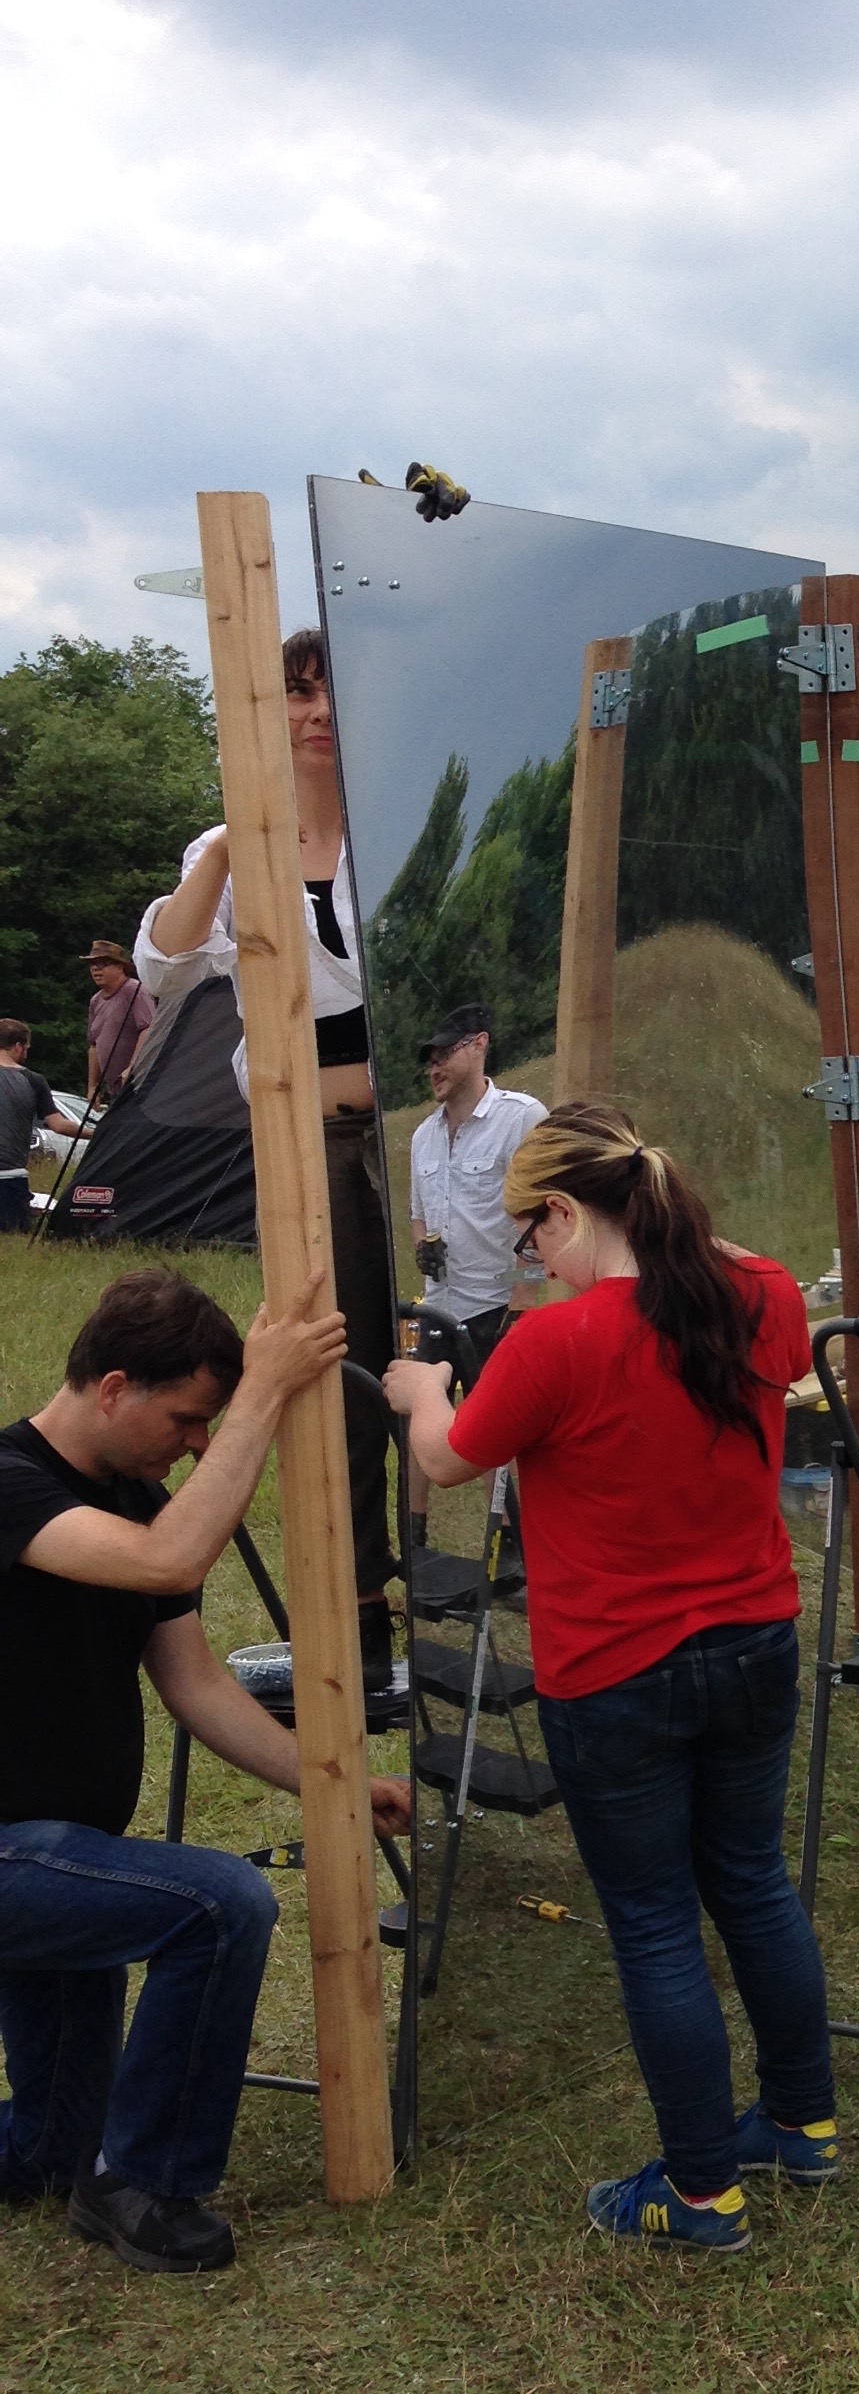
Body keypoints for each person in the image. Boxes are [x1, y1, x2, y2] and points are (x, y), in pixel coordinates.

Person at [385, 1102, 835, 2251]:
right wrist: (663, 1230)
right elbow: (746, 1274)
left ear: (569, 1211)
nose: (530, 1259)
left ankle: (699, 2195)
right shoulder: (762, 1298)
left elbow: (444, 1457)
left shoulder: (554, 1344)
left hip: (614, 1675)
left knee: (652, 1927)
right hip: (755, 1643)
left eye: (533, 1234)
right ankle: (801, 2124)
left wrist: (419, 1391)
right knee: (752, 1882)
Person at [1, 1267, 412, 2274]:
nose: (194, 1443)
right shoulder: (9, 1484)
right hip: (16, 1858)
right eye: (187, 1418)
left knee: (48, 2151)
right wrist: (264, 1391)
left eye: (209, 1424)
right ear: (112, 1388)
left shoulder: (134, 1497)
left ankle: (87, 2165)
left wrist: (333, 1787)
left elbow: (196, 1687)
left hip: (67, 1860)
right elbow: (169, 1562)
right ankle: (146, 2185)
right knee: (222, 1905)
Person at [137, 629, 396, 1674]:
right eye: (296, 693)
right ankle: (359, 1620)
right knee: (339, 1380)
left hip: (422, 1136)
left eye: (337, 691)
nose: (318, 712)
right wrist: (231, 846)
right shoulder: (233, 843)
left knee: (445, 1352)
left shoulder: (405, 827)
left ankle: (466, 1594)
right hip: (309, 1148)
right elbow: (160, 967)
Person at [406, 1002, 548, 1378]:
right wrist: (423, 1247)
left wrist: (521, 1309)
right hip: (436, 1309)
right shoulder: (422, 1136)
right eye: (430, 1062)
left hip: (496, 1308)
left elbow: (541, 1220)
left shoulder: (521, 1117)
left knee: (496, 1434)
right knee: (419, 1422)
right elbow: (417, 1217)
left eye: (445, 1055)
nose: (434, 1069)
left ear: (479, 1044)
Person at [0, 1020, 79, 1235]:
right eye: (26, 1049)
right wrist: (98, 1133)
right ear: (18, 1046)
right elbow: (59, 1126)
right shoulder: (32, 1080)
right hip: (9, 1178)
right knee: (11, 1238)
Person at [84, 943, 153, 1102]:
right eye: (92, 964)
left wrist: (133, 1067)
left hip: (138, 1085)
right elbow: (94, 1045)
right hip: (114, 1088)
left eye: (102, 964)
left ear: (120, 967)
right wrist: (93, 1087)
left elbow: (148, 1029)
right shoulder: (95, 1001)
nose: (95, 969)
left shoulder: (135, 990)